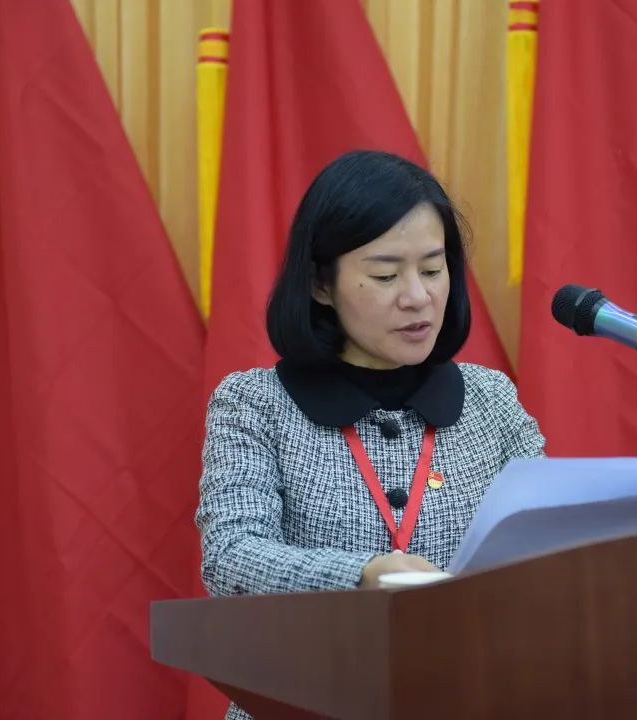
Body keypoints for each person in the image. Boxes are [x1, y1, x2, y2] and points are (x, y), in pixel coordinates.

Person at [196, 148, 544, 604]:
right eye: (385, 276)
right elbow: (230, 557)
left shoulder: (491, 401)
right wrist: (359, 574)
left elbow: (546, 537)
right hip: (322, 651)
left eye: (432, 270)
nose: (417, 296)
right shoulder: (256, 405)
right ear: (321, 284)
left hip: (473, 649)